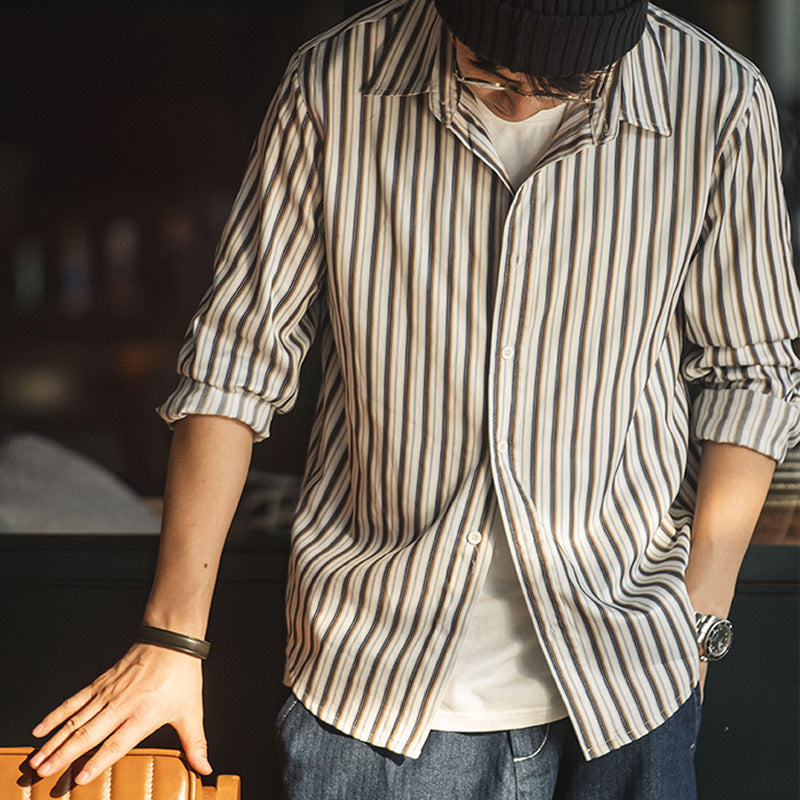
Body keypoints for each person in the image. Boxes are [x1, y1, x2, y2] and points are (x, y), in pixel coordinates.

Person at [29, 0, 800, 797]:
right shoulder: (334, 84)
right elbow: (235, 364)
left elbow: (752, 371)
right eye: (492, 76)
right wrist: (173, 636)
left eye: (570, 85)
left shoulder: (716, 99)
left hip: (625, 686)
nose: (524, 105)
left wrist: (700, 625)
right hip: (371, 694)